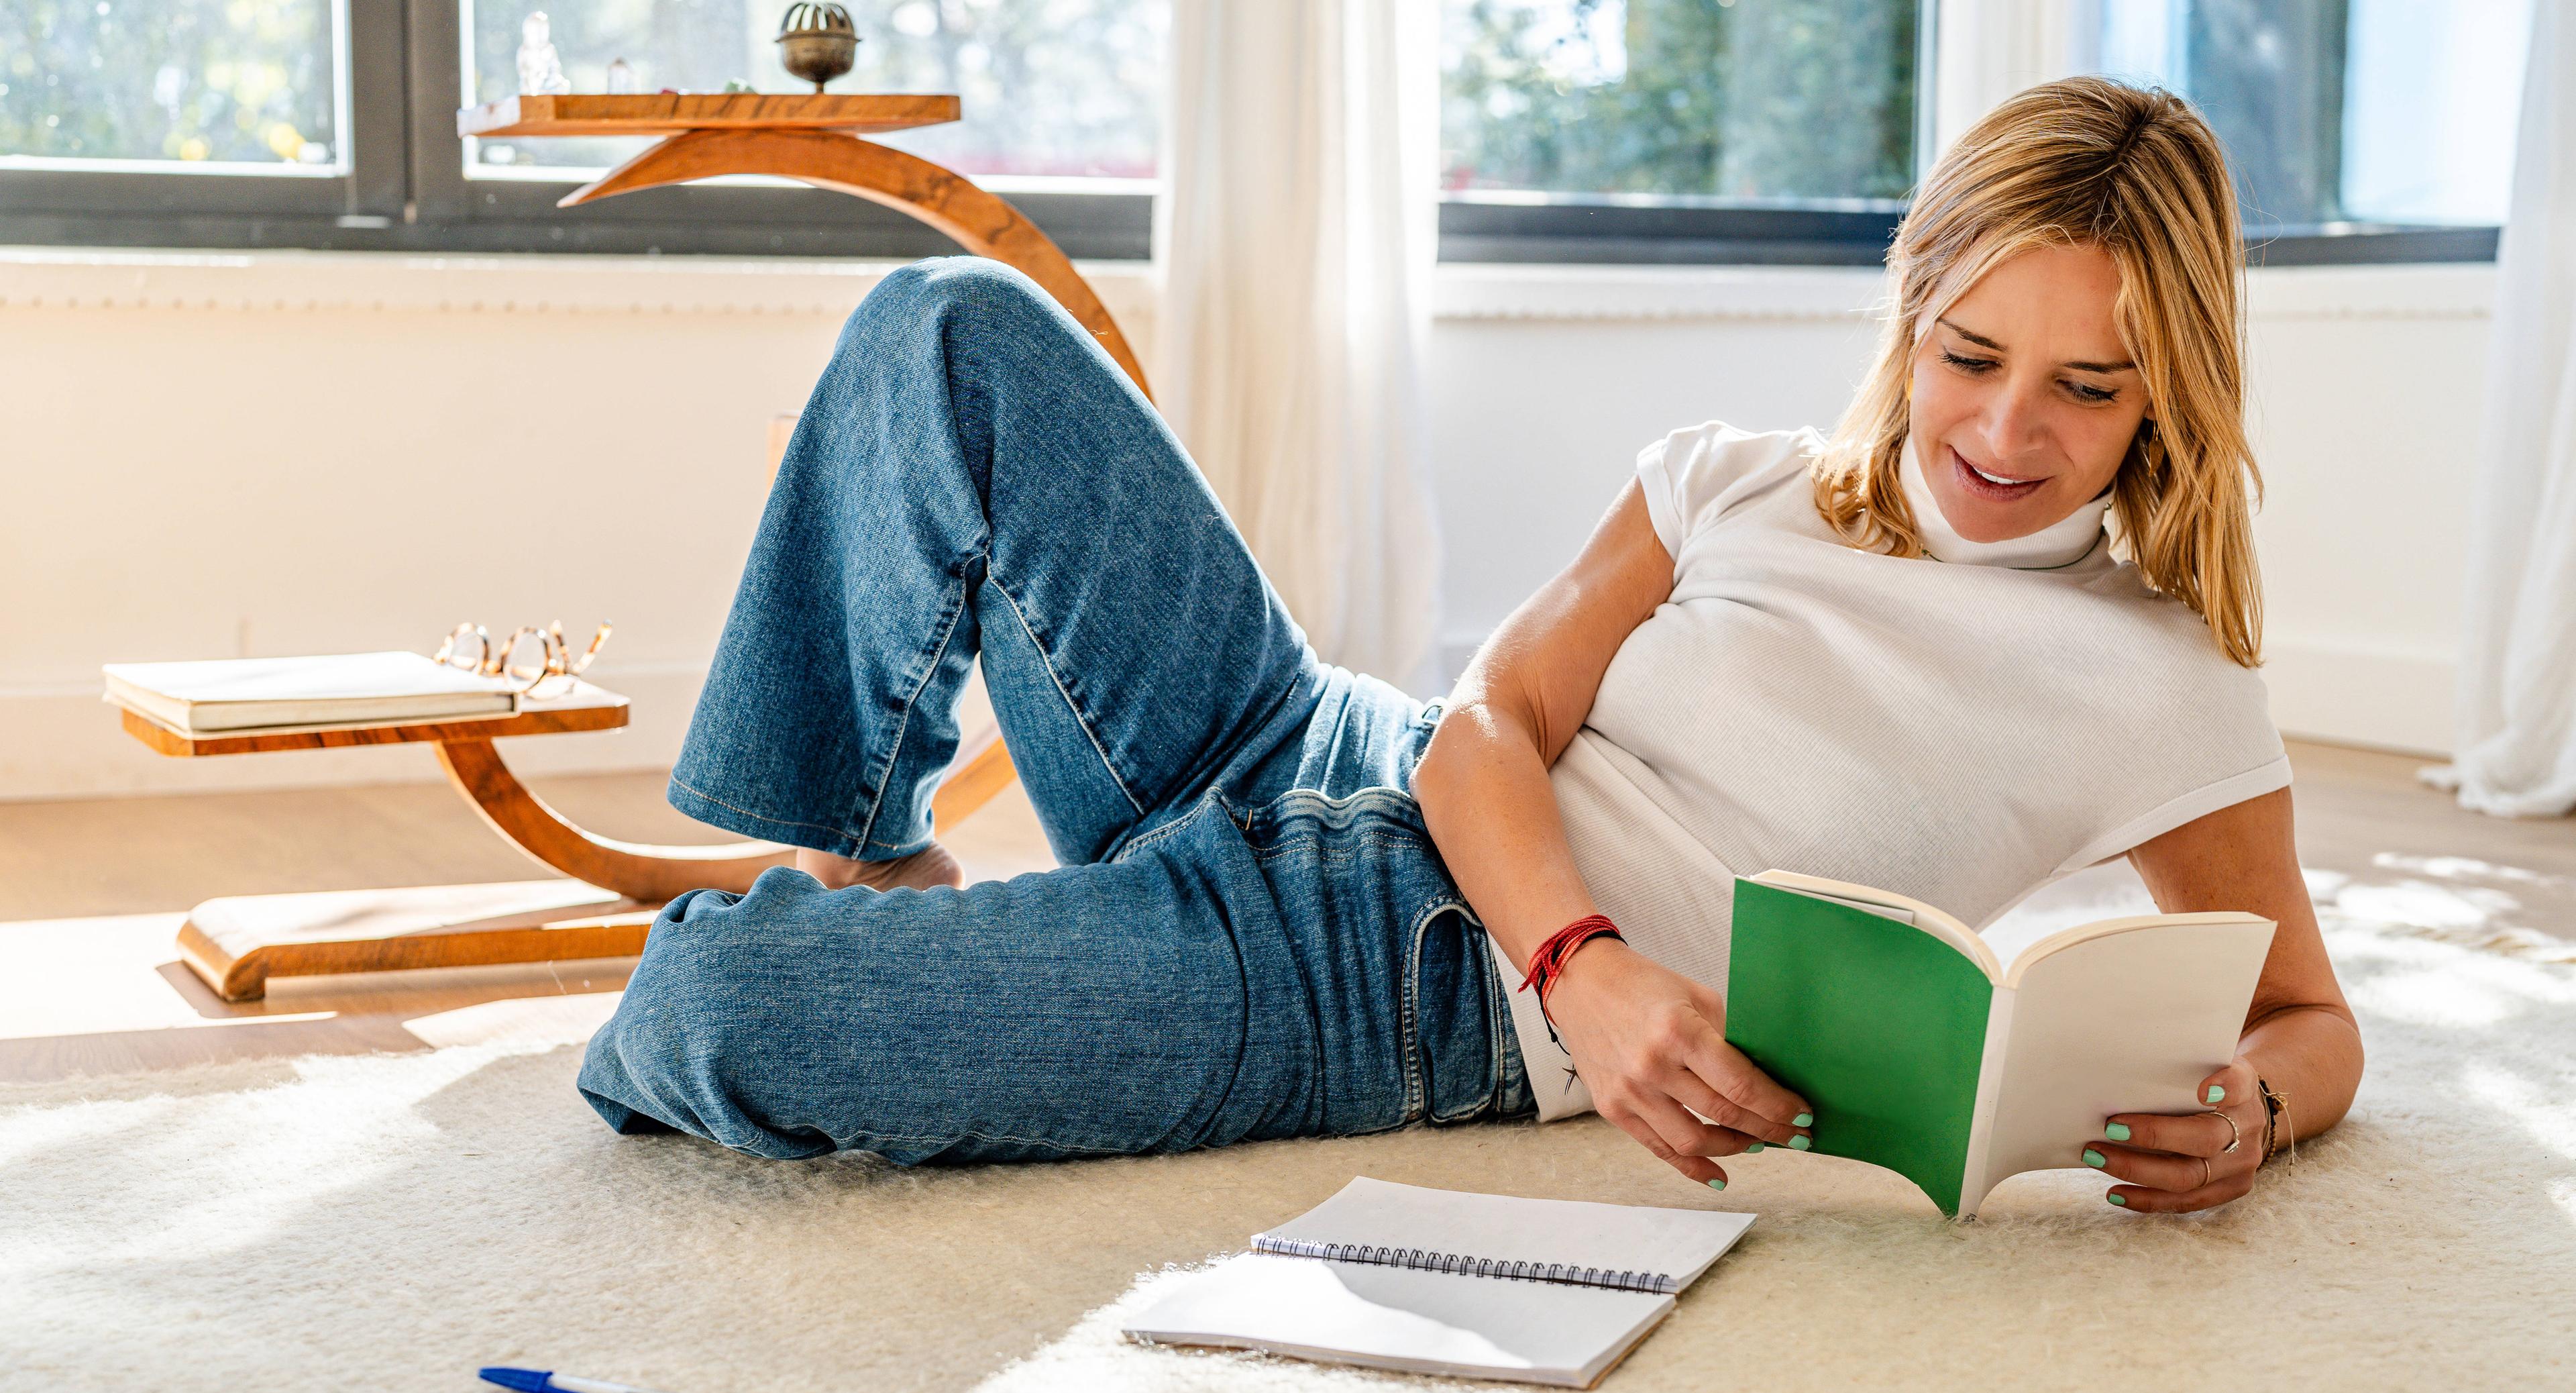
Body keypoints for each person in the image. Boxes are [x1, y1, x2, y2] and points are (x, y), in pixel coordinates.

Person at [578, 76, 2363, 1215]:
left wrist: (2255, 1115)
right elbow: (1486, 723)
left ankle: (1025, 938)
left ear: (2170, 393)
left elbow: (2307, 1019)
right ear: (1914, 305)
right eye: (1971, 354)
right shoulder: (1737, 483)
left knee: (710, 1005)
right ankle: (870, 854)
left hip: (1393, 986)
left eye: (2086, 387)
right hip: (1327, 747)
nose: (2000, 428)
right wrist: (1586, 957)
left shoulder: (2162, 674)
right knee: (947, 322)